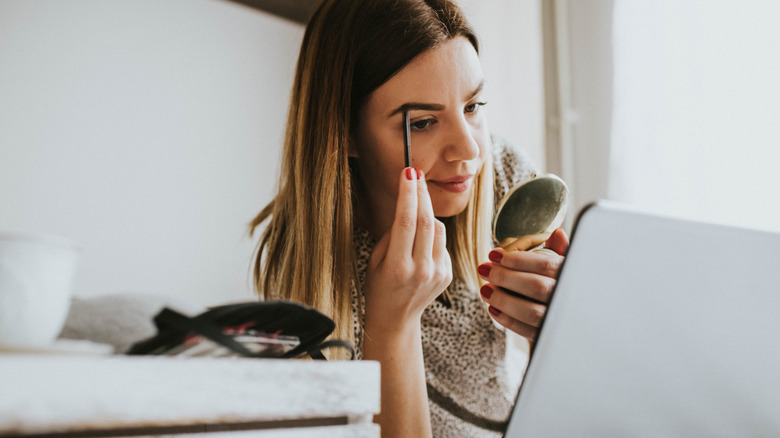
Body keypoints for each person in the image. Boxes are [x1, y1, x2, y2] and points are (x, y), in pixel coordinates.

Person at [249, 0, 568, 436]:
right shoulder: (308, 274)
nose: (470, 151)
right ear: (346, 133)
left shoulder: (502, 180)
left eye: (473, 106)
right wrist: (392, 324)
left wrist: (558, 335)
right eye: (421, 123)